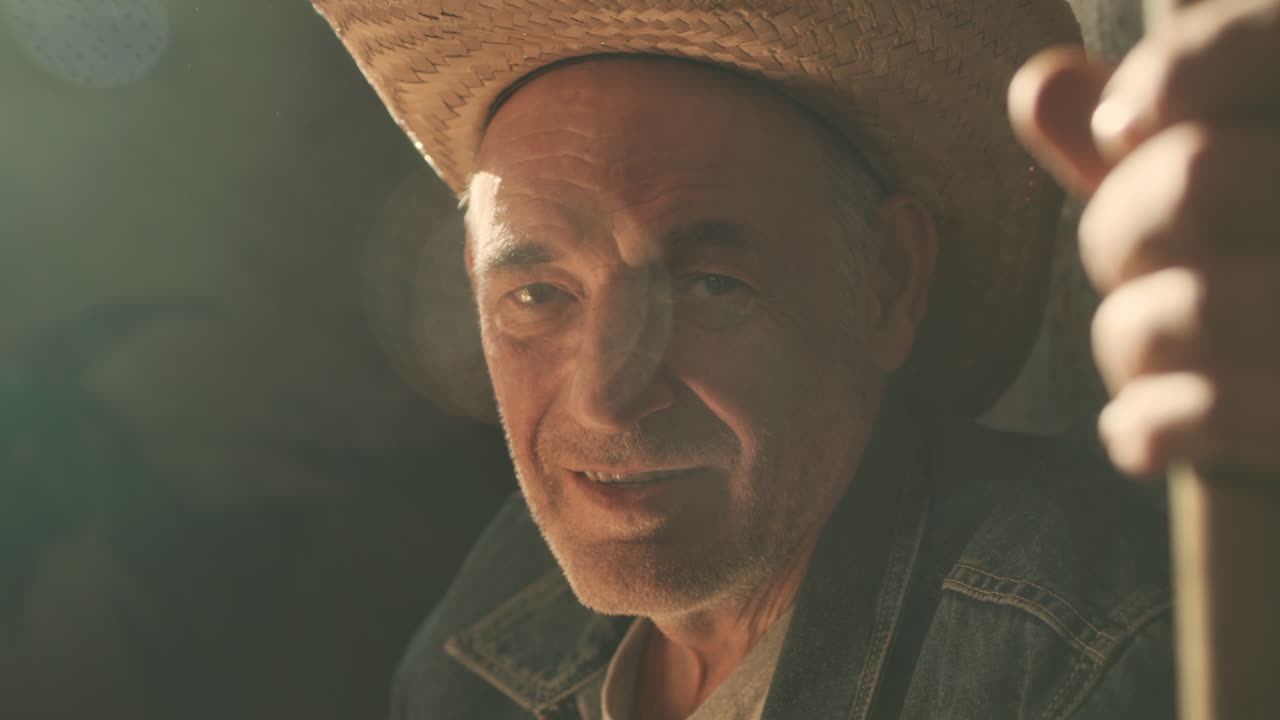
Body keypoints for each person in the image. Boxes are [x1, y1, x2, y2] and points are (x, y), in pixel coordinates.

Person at [311, 0, 1280, 717]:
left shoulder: (1089, 663)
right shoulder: (485, 626)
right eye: (536, 296)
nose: (605, 397)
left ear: (888, 284)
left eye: (706, 286)